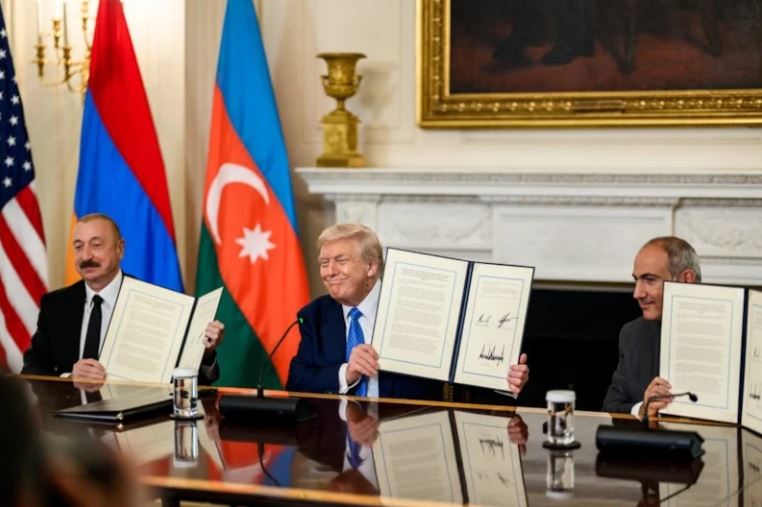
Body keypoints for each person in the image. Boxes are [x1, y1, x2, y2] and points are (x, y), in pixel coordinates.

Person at [286, 223, 529, 400]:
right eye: (324, 263)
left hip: (409, 436)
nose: (329, 271)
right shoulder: (314, 315)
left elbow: (461, 375)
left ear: (371, 267)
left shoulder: (418, 304)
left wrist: (503, 380)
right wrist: (347, 373)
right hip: (338, 440)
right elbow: (296, 383)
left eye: (341, 261)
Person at [22, 213, 224, 384]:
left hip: (138, 416)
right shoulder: (55, 305)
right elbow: (32, 370)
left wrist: (204, 353)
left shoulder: (158, 305)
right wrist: (69, 377)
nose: (86, 256)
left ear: (120, 249)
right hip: (69, 417)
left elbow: (188, 383)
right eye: (78, 246)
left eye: (96, 245)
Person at [601, 236, 701, 418]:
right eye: (636, 280)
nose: (637, 293)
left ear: (686, 280)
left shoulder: (732, 335)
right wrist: (642, 409)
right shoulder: (632, 334)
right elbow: (611, 408)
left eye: (649, 280)